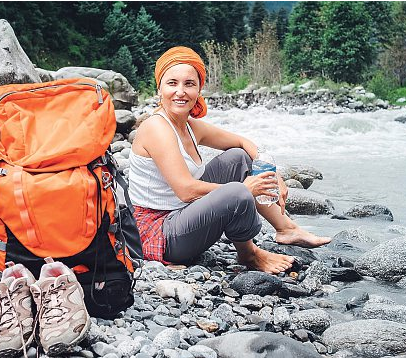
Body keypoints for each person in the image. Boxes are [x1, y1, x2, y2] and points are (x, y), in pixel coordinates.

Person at [129, 46, 331, 274]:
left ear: (199, 89)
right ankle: (250, 254)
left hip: (182, 214)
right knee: (237, 192)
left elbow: (243, 143)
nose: (180, 92)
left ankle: (286, 228)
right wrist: (244, 190)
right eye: (172, 83)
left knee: (238, 159)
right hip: (157, 232)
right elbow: (185, 190)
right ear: (160, 88)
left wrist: (274, 174)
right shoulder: (157, 127)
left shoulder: (189, 126)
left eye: (189, 84)